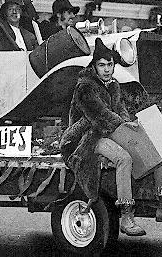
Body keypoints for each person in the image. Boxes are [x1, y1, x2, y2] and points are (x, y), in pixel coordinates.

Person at [60, 38, 147, 236]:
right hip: (85, 137)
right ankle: (126, 215)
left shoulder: (113, 85)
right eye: (102, 65)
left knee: (144, 145)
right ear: (94, 66)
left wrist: (130, 123)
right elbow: (101, 116)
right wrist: (125, 126)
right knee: (123, 158)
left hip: (106, 132)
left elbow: (120, 111)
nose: (107, 69)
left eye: (110, 64)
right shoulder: (85, 87)